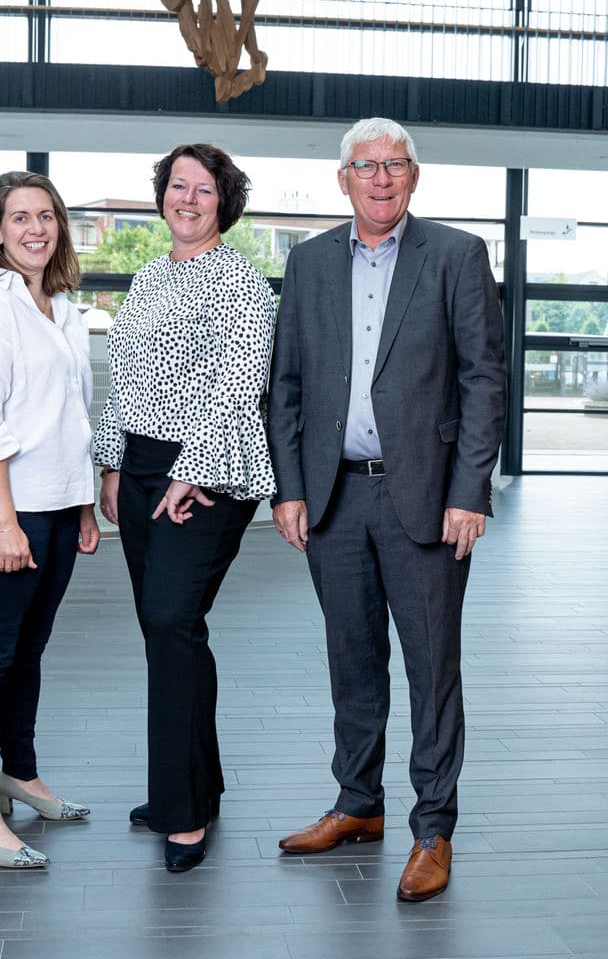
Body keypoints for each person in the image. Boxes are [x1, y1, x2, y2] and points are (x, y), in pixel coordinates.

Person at [267, 117, 506, 901]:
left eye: (394, 165)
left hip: (429, 501)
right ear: (343, 180)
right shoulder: (307, 265)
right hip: (333, 496)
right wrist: (291, 487)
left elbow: (483, 382)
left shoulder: (458, 256)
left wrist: (470, 492)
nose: (380, 178)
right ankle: (358, 804)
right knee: (352, 660)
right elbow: (289, 387)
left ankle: (432, 828)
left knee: (432, 668)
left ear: (412, 176)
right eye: (365, 166)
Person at [94, 144, 275, 873]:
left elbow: (238, 386)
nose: (188, 200)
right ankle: (194, 782)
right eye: (178, 187)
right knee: (167, 631)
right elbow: (123, 376)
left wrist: (186, 470)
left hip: (205, 473)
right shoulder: (147, 275)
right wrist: (110, 463)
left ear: (224, 202)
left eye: (204, 190)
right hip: (138, 468)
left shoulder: (241, 282)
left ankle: (185, 811)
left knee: (171, 621)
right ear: (162, 196)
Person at [0, 171, 100, 869]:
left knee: (27, 653)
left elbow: (73, 417)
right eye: (20, 217)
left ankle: (20, 774)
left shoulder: (61, 308)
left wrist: (86, 503)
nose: (36, 227)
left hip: (58, 508)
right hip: (3, 513)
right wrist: (6, 524)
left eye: (47, 215)